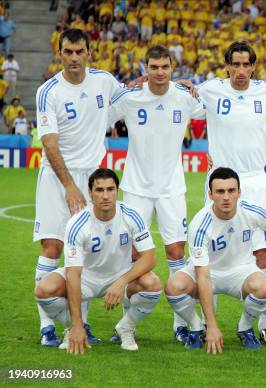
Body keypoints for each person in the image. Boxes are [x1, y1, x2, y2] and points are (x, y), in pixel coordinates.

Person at [108, 45, 206, 344]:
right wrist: (126, 86)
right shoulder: (131, 97)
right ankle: (128, 324)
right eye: (154, 67)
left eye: (165, 66)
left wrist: (195, 88)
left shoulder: (185, 97)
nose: (160, 72)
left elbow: (215, 107)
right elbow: (102, 113)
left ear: (172, 68)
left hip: (172, 188)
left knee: (176, 252)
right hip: (136, 187)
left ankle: (181, 323)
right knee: (134, 256)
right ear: (145, 68)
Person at [34, 28, 122, 347]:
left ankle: (80, 325)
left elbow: (136, 96)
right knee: (53, 248)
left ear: (89, 52)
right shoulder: (48, 91)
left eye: (79, 51)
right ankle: (47, 326)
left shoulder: (104, 81)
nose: (73, 58)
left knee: (81, 251)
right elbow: (49, 143)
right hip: (58, 177)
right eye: (68, 52)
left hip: (93, 180)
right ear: (60, 53)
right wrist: (70, 185)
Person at [196, 41, 266, 342]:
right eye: (236, 64)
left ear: (254, 66)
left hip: (254, 181)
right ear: (227, 65)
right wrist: (179, 84)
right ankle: (207, 323)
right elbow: (182, 99)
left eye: (247, 65)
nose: (241, 71)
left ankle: (261, 324)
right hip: (219, 181)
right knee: (209, 250)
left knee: (261, 254)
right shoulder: (210, 90)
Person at [34, 169, 161, 353]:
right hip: (86, 278)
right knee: (44, 290)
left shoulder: (132, 215)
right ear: (90, 193)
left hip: (120, 275)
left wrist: (121, 281)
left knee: (153, 284)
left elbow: (150, 257)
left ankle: (126, 327)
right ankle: (72, 328)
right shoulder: (77, 223)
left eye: (110, 189)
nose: (106, 196)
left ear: (117, 191)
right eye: (100, 190)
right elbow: (73, 274)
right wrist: (77, 324)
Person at [165, 167, 266, 352]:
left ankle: (245, 327)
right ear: (210, 194)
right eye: (220, 191)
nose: (226, 197)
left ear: (239, 192)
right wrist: (212, 325)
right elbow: (203, 276)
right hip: (208, 272)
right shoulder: (199, 224)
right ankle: (196, 327)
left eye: (231, 191)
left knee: (263, 286)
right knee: (173, 287)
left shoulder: (251, 210)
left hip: (241, 270)